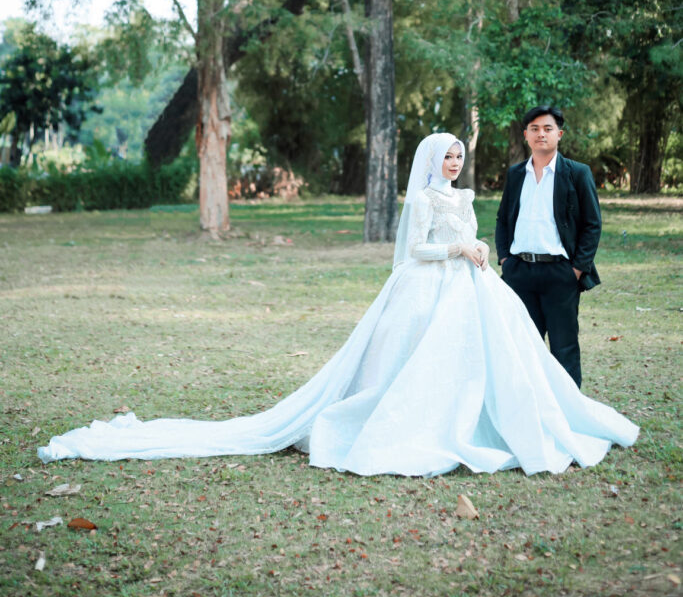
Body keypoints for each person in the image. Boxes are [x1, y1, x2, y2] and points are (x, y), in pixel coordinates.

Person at [39, 133, 637, 475]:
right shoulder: (422, 199)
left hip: (470, 286)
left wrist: (476, 246)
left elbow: (473, 233)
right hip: (427, 286)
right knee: (414, 361)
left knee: (491, 356)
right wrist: (456, 247)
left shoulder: (464, 194)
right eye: (446, 156)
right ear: (430, 161)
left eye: (458, 155)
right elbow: (416, 250)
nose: (454, 163)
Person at [495, 105, 601, 389]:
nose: (541, 134)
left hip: (561, 274)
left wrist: (577, 269)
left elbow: (592, 224)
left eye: (547, 128)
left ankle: (568, 411)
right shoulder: (516, 174)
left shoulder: (577, 173)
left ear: (559, 134)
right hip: (519, 273)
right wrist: (505, 260)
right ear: (526, 135)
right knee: (520, 348)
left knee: (564, 348)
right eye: (535, 129)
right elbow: (503, 219)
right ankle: (525, 407)